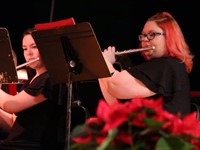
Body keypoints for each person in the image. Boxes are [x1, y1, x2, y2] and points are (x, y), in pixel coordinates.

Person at [98, 11, 194, 117]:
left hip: (164, 132)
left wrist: (104, 61)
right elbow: (117, 104)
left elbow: (115, 85)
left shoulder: (167, 65)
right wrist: (103, 67)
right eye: (143, 36)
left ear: (169, 37)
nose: (144, 40)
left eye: (151, 35)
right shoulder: (172, 65)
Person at [0, 28, 67, 149]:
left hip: (32, 146)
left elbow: (10, 105)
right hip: (17, 143)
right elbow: (14, 123)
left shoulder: (49, 79)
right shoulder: (33, 80)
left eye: (34, 47)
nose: (28, 53)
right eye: (25, 49)